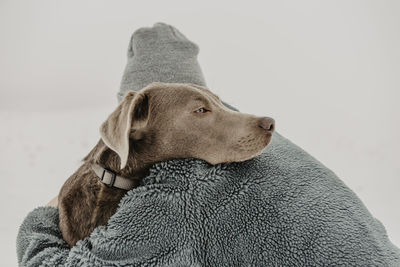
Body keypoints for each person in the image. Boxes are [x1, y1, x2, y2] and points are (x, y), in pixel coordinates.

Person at [17, 23, 400, 266]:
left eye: (210, 105)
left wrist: (40, 221)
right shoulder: (275, 146)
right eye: (202, 109)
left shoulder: (178, 192)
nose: (223, 114)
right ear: (133, 121)